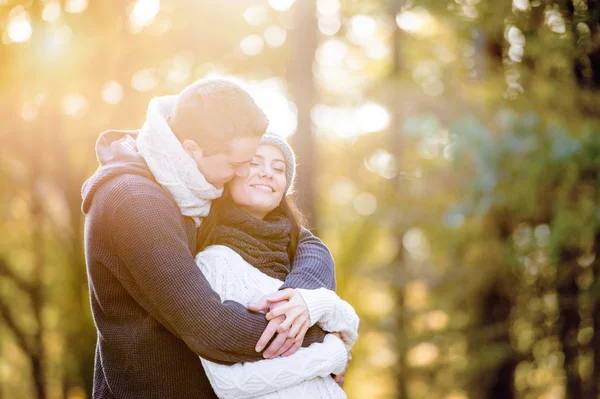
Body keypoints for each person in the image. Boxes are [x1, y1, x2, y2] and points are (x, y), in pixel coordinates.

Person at [81, 79, 345, 398]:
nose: (240, 174)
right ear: (192, 149)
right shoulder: (135, 203)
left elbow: (300, 238)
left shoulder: (190, 178)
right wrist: (321, 336)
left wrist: (302, 300)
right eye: (237, 164)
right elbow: (214, 329)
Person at [192, 134, 359, 398]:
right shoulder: (215, 261)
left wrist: (318, 302)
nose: (268, 173)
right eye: (254, 163)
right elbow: (231, 384)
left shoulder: (296, 256)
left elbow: (349, 321)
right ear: (229, 175)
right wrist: (333, 354)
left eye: (278, 168)